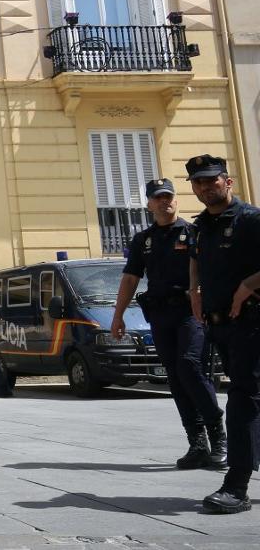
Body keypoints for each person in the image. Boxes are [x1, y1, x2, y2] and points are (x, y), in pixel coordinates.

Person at [111, 177, 225, 469]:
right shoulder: (143, 240)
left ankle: (219, 437)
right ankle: (197, 443)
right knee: (174, 376)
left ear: (176, 199)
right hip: (161, 316)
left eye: (169, 196)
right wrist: (118, 314)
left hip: (190, 312)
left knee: (189, 365)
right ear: (149, 204)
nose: (165, 201)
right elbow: (130, 278)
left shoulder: (193, 231)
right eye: (158, 198)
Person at [187, 154, 260, 514]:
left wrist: (249, 283)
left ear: (227, 181)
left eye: (211, 180)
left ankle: (237, 486)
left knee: (243, 399)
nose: (205, 187)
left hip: (252, 321)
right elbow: (196, 260)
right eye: (198, 182)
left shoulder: (250, 219)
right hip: (221, 326)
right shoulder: (201, 226)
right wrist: (194, 291)